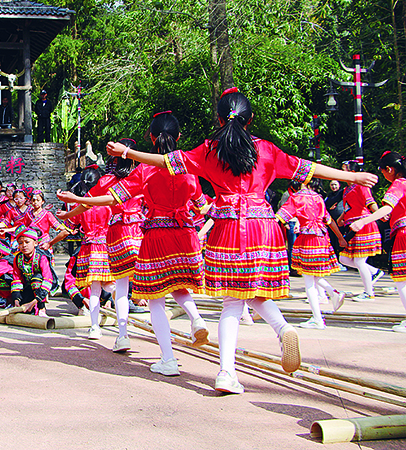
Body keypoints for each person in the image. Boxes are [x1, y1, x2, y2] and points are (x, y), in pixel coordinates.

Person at [106, 88, 377, 394]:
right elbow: (307, 167)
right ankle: (281, 328)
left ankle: (226, 372)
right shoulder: (266, 149)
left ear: (219, 119)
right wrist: (352, 178)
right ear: (251, 119)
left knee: (233, 302)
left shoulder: (209, 150)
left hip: (228, 229)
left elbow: (167, 162)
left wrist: (127, 153)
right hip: (264, 226)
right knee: (252, 290)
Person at [60, 114, 210, 368]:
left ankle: (148, 348)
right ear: (179, 136)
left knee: (146, 295)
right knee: (179, 285)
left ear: (151, 138)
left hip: (141, 236)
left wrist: (76, 203)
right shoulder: (190, 167)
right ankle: (196, 318)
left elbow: (110, 200)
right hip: (181, 235)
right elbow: (203, 207)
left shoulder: (142, 172)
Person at [276, 179, 347, 329]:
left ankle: (318, 319)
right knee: (314, 275)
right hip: (322, 238)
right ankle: (332, 293)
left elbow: (280, 217)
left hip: (307, 239)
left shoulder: (296, 198)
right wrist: (340, 237)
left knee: (309, 281)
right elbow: (329, 220)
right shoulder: (318, 198)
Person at [348, 151, 406, 332]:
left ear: (389, 169)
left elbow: (387, 207)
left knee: (402, 280)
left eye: (383, 172)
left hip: (403, 235)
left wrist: (363, 221)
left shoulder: (399, 183)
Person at [56, 167, 113, 340]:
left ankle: (94, 327)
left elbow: (71, 226)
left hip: (88, 248)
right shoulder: (107, 203)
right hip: (105, 246)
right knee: (112, 285)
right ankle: (121, 319)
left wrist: (65, 217)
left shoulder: (82, 205)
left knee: (94, 289)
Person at [336, 161, 384, 301]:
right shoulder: (346, 190)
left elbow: (370, 202)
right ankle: (374, 272)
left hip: (364, 225)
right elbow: (348, 207)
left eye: (344, 170)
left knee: (359, 261)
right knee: (344, 258)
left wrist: (380, 214)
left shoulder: (361, 186)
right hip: (352, 226)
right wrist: (341, 218)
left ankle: (369, 292)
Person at [10, 227, 54, 317]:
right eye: (20, 243)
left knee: (37, 279)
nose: (24, 245)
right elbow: (16, 279)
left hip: (41, 288)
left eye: (27, 242)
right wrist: (16, 300)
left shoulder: (41, 258)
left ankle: (42, 308)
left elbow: (48, 279)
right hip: (27, 286)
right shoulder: (18, 258)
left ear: (35, 243)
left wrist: (34, 302)